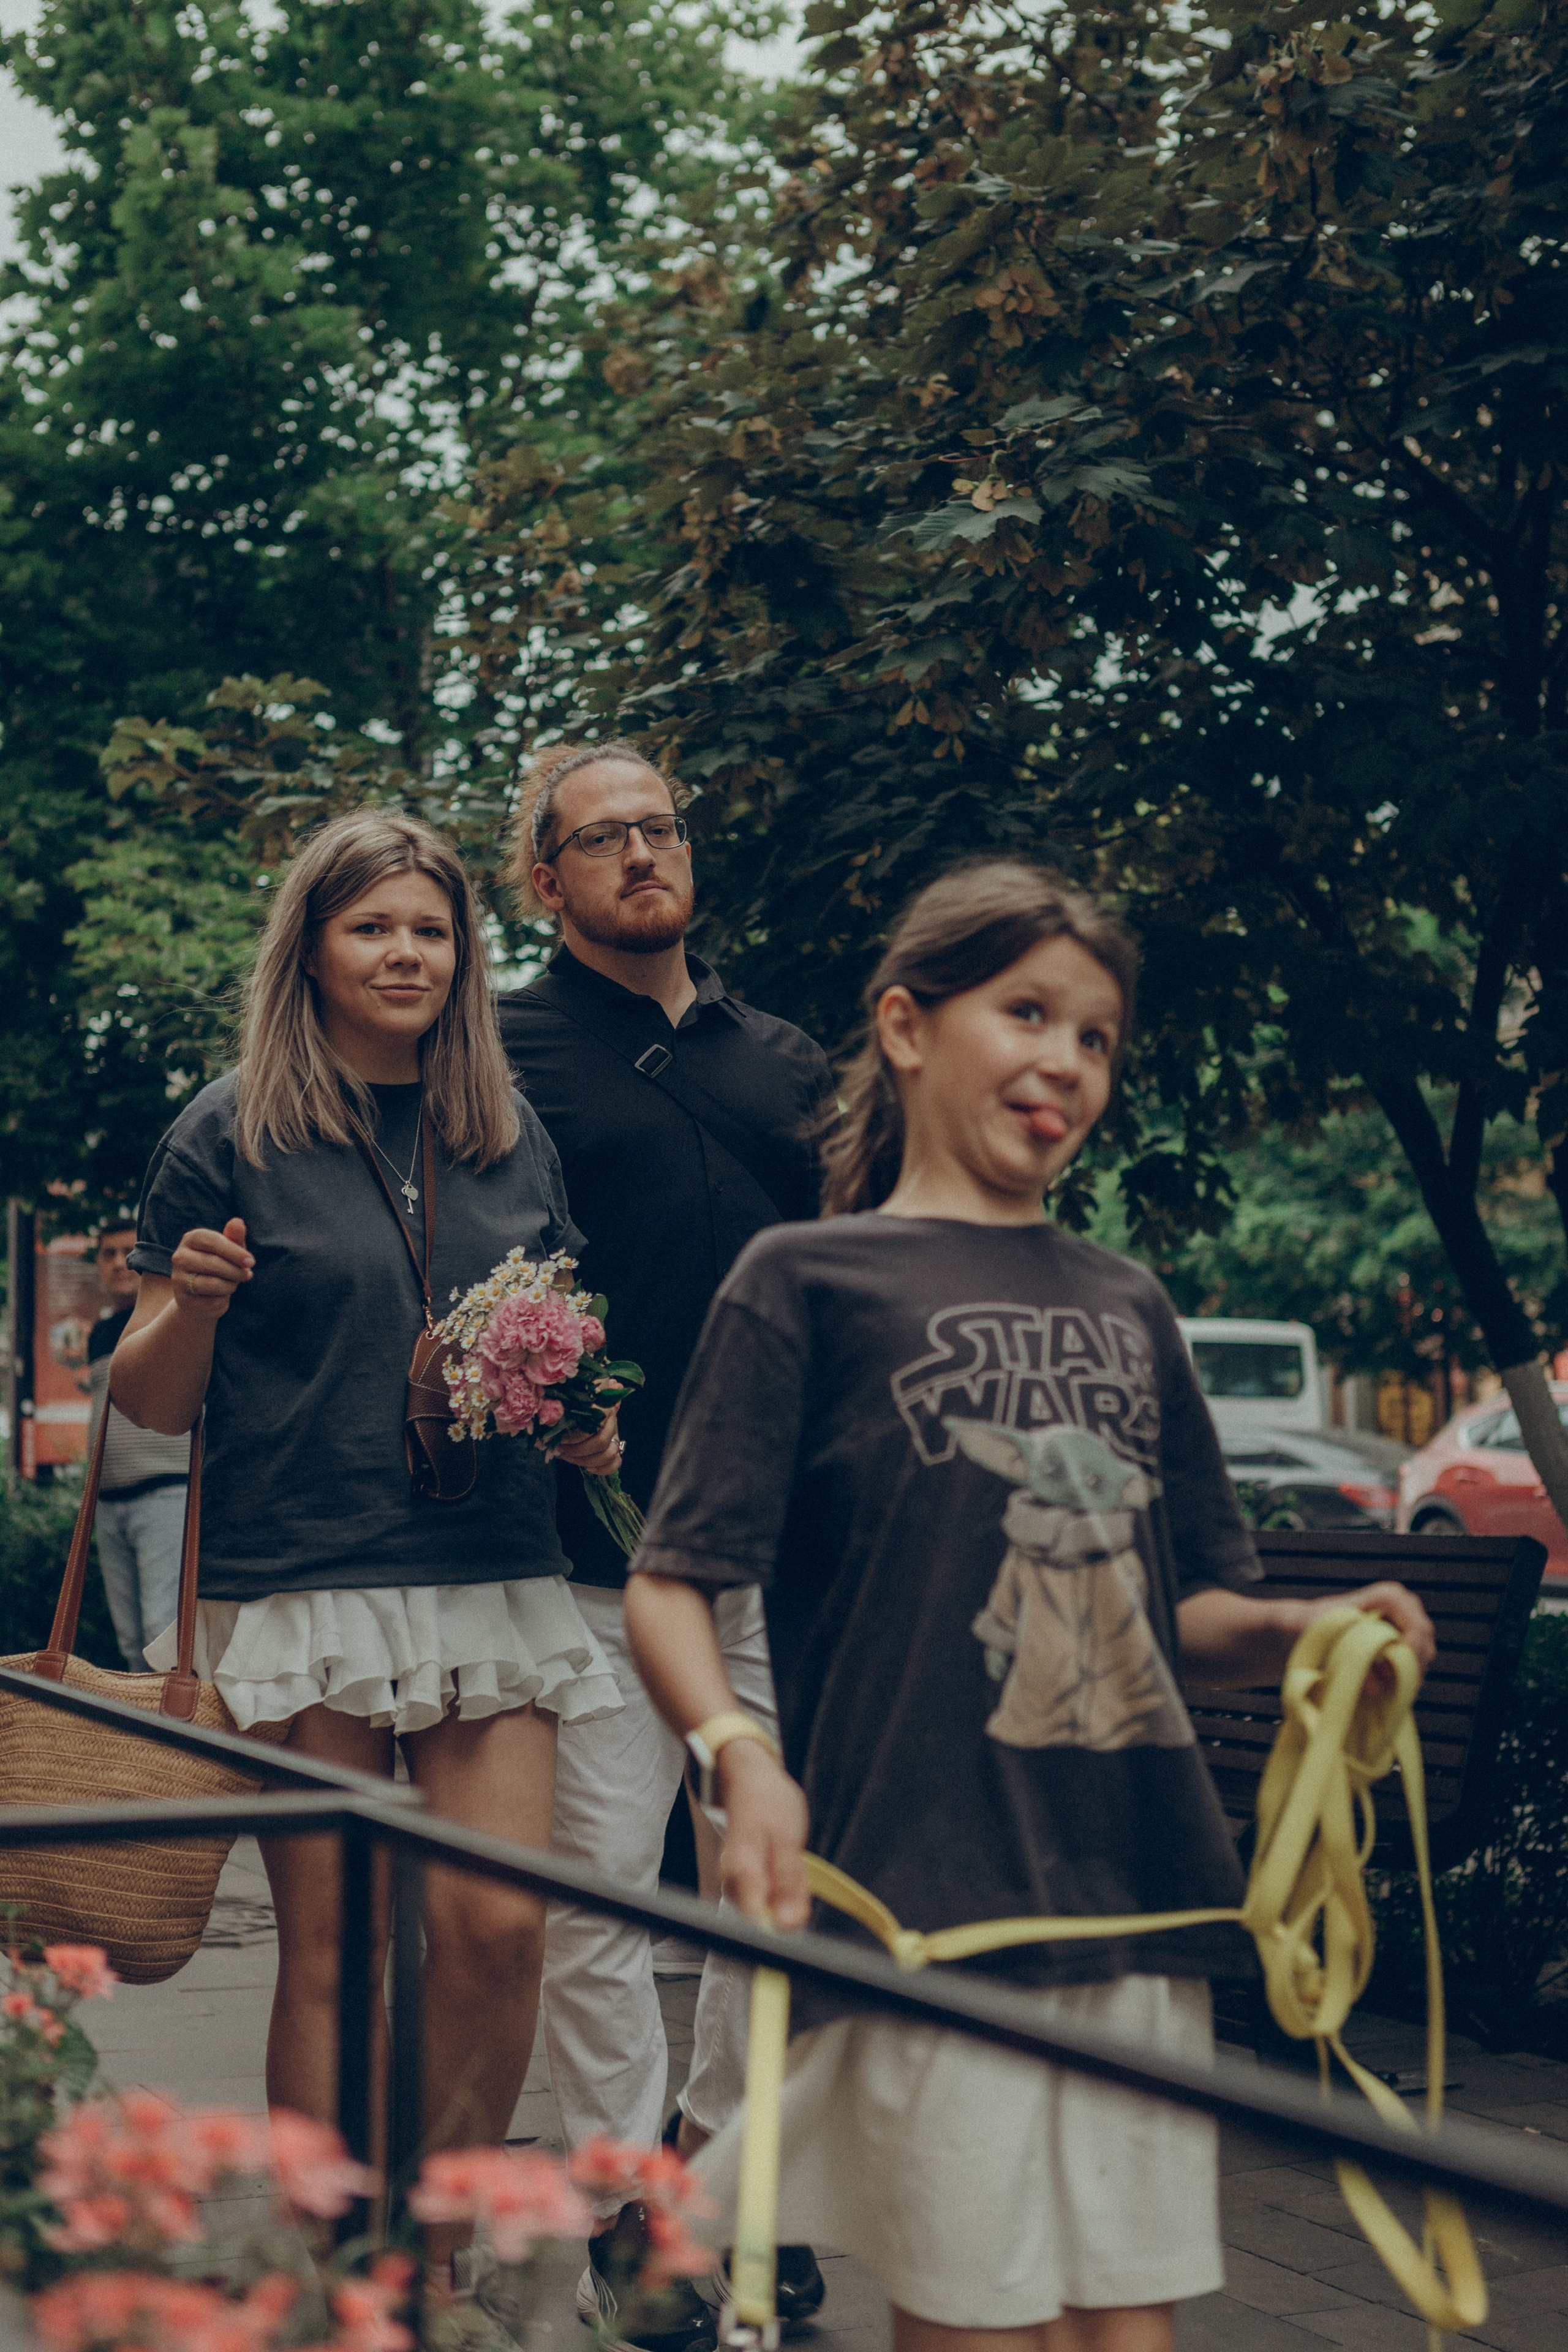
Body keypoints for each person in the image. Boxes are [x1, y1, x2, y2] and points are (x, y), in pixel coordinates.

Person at [622, 859, 1437, 2352]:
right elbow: (672, 1578)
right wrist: (740, 1757)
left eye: (1096, 1038)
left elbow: (1190, 1600)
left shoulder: (1124, 1298)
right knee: (976, 2322)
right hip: (930, 1895)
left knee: (1125, 2327)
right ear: (908, 1024)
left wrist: (1310, 1630)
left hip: (1136, 1886)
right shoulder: (801, 1277)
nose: (1063, 1060)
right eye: (1026, 1012)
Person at [111, 811, 624, 2281]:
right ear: (313, 948)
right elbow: (148, 1408)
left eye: (429, 927)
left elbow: (558, 1351)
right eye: (371, 926)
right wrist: (192, 1302)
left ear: (463, 952)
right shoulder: (230, 1127)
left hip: (490, 1566)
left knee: (493, 1926)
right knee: (333, 1941)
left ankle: (439, 2245)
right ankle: (346, 2262)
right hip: (300, 1573)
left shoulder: (506, 1130)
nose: (405, 952)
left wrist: (584, 1421)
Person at [496, 741, 835, 2350]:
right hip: (592, 1544)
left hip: (776, 1540)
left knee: (775, 1891)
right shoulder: (497, 1055)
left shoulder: (784, 1060)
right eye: (603, 838)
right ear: (543, 880)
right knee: (599, 1901)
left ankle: (716, 2182)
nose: (644, 855)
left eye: (662, 828)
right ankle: (632, 2214)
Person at [86, 1225, 189, 1668]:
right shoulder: (98, 1334)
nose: (117, 1262)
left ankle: (174, 1738)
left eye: (128, 1251)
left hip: (164, 1494)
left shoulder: (175, 1318)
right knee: (129, 1642)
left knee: (160, 1634)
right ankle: (140, 1739)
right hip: (107, 1503)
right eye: (107, 1253)